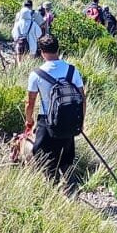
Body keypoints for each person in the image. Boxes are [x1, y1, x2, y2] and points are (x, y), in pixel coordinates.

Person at [24, 34, 86, 184]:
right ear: (58, 49)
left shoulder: (36, 74)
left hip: (46, 122)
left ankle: (53, 186)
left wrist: (29, 121)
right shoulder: (72, 70)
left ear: (41, 52)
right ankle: (69, 187)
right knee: (66, 159)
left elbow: (30, 102)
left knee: (44, 159)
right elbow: (82, 98)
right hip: (69, 120)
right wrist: (80, 122)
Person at [12, 0, 43, 64]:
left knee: (20, 63)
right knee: (30, 62)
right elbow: (39, 34)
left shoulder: (18, 24)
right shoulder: (33, 24)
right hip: (32, 46)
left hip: (20, 45)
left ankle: (20, 70)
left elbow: (14, 34)